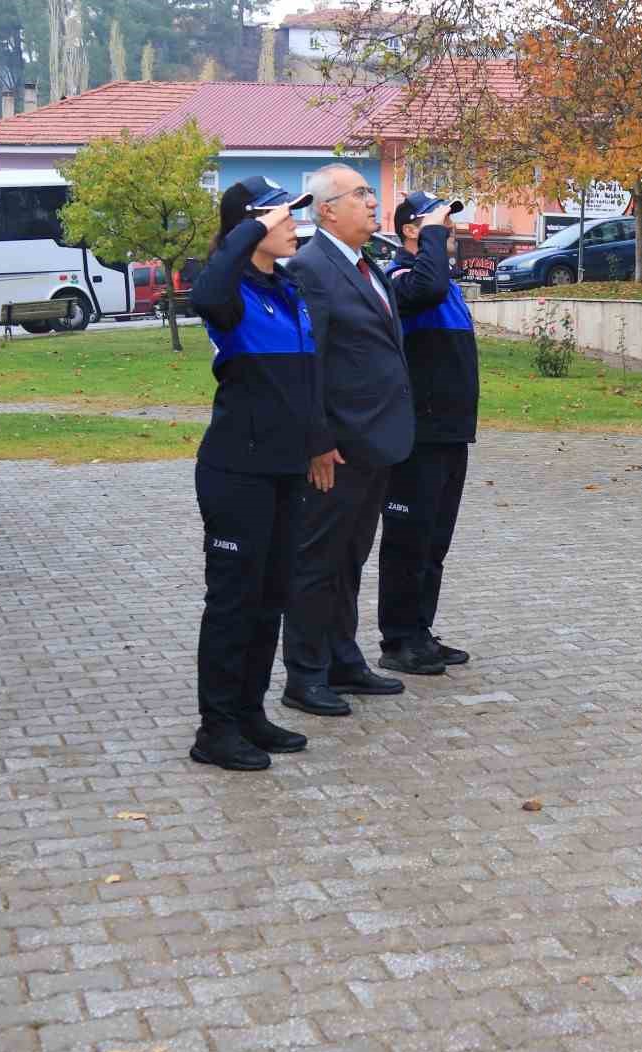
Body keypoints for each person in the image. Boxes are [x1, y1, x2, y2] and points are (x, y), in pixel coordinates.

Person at [187, 176, 321, 771]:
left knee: (271, 599)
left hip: (285, 470)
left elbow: (304, 383)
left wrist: (319, 444)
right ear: (253, 225)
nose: (295, 224)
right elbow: (206, 292)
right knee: (234, 602)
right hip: (237, 471)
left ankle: (249, 713)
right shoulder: (230, 290)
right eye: (282, 216)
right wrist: (250, 229)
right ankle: (215, 730)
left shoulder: (285, 287)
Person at [280, 164, 417, 716]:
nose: (371, 200)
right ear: (326, 209)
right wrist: (318, 439)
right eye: (361, 193)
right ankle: (306, 673)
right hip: (337, 448)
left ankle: (343, 657)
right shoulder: (312, 268)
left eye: (370, 192)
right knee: (317, 562)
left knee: (350, 559)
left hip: (376, 441)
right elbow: (308, 359)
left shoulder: (368, 266)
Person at [377, 192, 476, 675]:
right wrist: (432, 236)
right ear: (411, 230)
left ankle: (420, 630)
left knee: (434, 540)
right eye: (438, 222)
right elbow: (429, 288)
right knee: (407, 539)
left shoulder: (441, 281)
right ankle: (397, 640)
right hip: (417, 433)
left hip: (450, 430)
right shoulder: (401, 278)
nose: (450, 229)